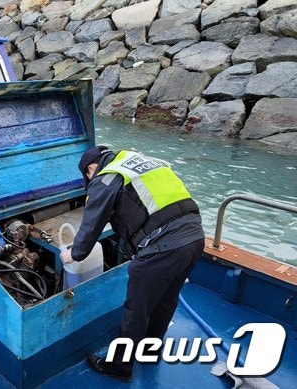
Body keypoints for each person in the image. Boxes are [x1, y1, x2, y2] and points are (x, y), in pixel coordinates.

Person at [60, 145, 205, 382]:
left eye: (87, 177)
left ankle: (120, 366)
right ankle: (150, 350)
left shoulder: (107, 176)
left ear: (91, 168)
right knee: (165, 300)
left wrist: (74, 254)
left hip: (164, 248)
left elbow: (92, 223)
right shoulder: (142, 160)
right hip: (195, 239)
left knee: (136, 311)